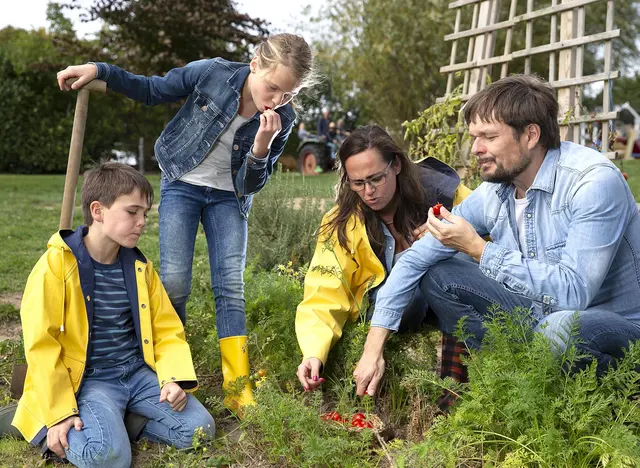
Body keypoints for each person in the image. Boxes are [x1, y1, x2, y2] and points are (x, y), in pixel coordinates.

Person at [56, 33, 317, 410]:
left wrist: (261, 147)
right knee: (175, 282)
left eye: (288, 95)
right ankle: (170, 372)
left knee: (230, 285)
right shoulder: (212, 73)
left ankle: (237, 388)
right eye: (273, 88)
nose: (276, 100)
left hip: (230, 196)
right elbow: (152, 89)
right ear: (255, 64)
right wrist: (100, 69)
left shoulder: (284, 119)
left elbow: (251, 183)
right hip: (183, 181)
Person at [353, 75, 640, 397]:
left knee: (559, 330)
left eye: (488, 137)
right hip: (541, 320)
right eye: (474, 136)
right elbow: (415, 260)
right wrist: (372, 349)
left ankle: (608, 400)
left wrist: (479, 249)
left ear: (531, 134)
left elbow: (574, 294)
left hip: (618, 331)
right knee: (437, 272)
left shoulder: (591, 183)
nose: (476, 149)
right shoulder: (497, 191)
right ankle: (510, 381)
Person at [11, 163, 214, 468]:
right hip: (89, 381)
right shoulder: (55, 266)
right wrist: (60, 413)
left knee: (200, 430)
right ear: (98, 211)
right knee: (107, 457)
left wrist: (173, 379)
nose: (142, 222)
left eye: (145, 214)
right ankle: (42, 419)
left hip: (136, 374)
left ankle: (118, 421)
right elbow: (42, 344)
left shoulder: (139, 268)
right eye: (132, 212)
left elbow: (167, 330)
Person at [295, 125, 473, 407]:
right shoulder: (340, 222)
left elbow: (489, 235)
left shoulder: (443, 193)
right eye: (357, 183)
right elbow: (324, 289)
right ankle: (450, 397)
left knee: (446, 261)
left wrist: (449, 236)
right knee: (421, 269)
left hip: (447, 291)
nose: (368, 192)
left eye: (376, 179)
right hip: (393, 308)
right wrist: (314, 352)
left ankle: (454, 396)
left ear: (397, 165)